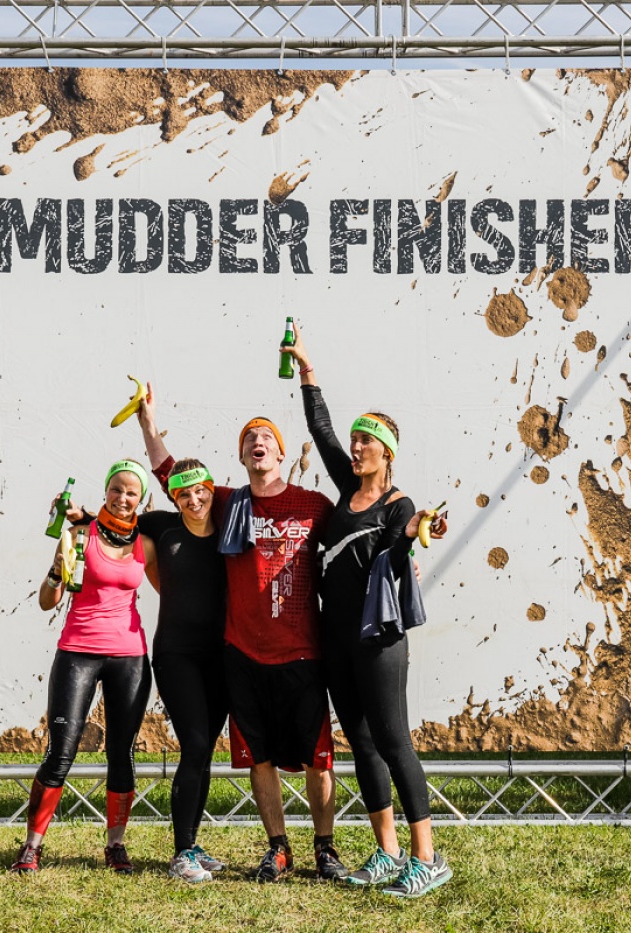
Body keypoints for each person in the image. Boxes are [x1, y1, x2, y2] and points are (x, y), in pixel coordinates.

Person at [139, 388, 349, 883]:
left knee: (318, 761)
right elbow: (171, 475)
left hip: (302, 653)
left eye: (266, 437)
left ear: (280, 452)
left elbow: (358, 534)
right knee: (261, 759)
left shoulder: (313, 505)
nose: (258, 442)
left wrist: (407, 553)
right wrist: (148, 423)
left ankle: (325, 849)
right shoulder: (228, 502)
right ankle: (278, 849)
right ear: (241, 457)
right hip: (244, 655)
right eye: (249, 438)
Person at [281, 324, 453, 898]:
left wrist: (419, 529)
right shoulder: (345, 486)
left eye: (366, 442)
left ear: (387, 452)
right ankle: (387, 852)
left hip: (378, 641)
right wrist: (307, 368)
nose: (355, 449)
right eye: (354, 441)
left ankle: (427, 859)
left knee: (394, 741)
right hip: (336, 642)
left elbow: (405, 540)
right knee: (362, 743)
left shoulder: (398, 504)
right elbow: (320, 428)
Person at [9, 460, 153, 876]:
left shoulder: (146, 542)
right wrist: (58, 572)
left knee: (121, 754)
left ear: (141, 499)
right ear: (105, 491)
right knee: (60, 752)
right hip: (78, 651)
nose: (122, 498)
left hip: (130, 656)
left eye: (131, 492)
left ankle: (116, 846)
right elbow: (47, 601)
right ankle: (31, 847)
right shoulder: (78, 535)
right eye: (116, 489)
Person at [132, 449, 231, 883]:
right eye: (183, 495)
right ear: (173, 498)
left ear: (210, 490)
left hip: (221, 656)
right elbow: (114, 523)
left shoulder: (229, 526)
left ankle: (192, 844)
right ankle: (180, 854)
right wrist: (81, 517)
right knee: (194, 744)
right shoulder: (161, 526)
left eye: (199, 492)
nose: (193, 500)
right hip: (176, 655)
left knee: (204, 751)